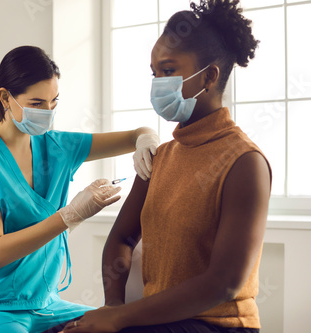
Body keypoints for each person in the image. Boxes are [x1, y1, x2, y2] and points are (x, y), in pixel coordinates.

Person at [55, 0, 272, 332]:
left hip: (219, 325)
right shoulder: (161, 157)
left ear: (209, 76)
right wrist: (112, 305)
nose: (158, 83)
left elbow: (225, 282)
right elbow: (121, 239)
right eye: (154, 72)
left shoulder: (245, 163)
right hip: (155, 320)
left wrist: (119, 319)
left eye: (168, 71)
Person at [0, 45, 160, 333]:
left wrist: (147, 139)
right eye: (36, 103)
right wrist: (71, 215)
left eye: (53, 101)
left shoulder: (58, 146)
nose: (48, 112)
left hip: (46, 305)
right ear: (5, 98)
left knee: (121, 327)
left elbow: (136, 135)